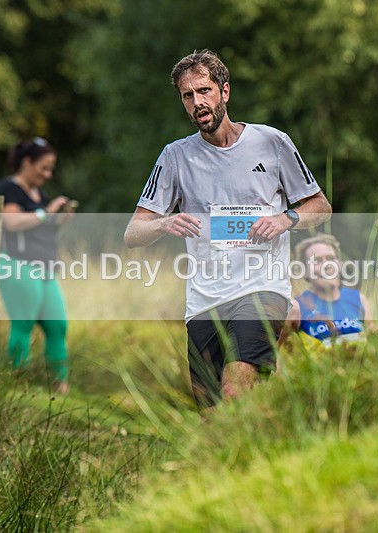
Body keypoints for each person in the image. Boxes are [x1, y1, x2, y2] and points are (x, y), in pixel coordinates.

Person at [124, 49, 332, 409]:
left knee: (235, 389)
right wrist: (164, 221)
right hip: (205, 300)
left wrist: (284, 219)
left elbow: (321, 207)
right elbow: (133, 233)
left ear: (225, 91)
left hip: (262, 289)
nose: (197, 103)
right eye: (187, 96)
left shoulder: (272, 142)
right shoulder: (175, 157)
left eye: (204, 91)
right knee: (212, 412)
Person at [0, 137, 74, 395]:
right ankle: (18, 386)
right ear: (27, 162)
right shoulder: (8, 188)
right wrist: (45, 213)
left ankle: (60, 387)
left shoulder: (40, 194)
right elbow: (12, 222)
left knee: (57, 326)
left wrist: (59, 220)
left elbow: (41, 229)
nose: (47, 174)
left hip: (45, 268)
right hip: (17, 265)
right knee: (23, 324)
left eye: (51, 169)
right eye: (44, 167)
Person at [281, 234, 377, 347]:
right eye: (317, 260)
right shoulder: (296, 307)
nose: (326, 265)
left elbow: (372, 338)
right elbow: (275, 350)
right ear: (305, 271)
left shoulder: (358, 299)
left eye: (331, 258)